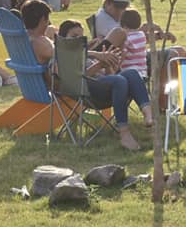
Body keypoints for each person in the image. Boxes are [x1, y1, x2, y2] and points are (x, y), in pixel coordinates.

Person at [58, 19, 152, 151]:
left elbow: (109, 76)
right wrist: (98, 63)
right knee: (119, 81)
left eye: (81, 37)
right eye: (74, 36)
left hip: (105, 88)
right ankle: (124, 134)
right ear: (63, 38)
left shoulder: (86, 55)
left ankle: (148, 113)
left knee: (131, 73)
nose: (78, 40)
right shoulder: (63, 56)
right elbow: (77, 80)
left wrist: (107, 64)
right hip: (86, 92)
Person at [119, 9, 148, 80]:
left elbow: (123, 55)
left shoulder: (127, 39)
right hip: (143, 71)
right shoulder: (142, 35)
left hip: (129, 72)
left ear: (124, 25)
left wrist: (117, 66)